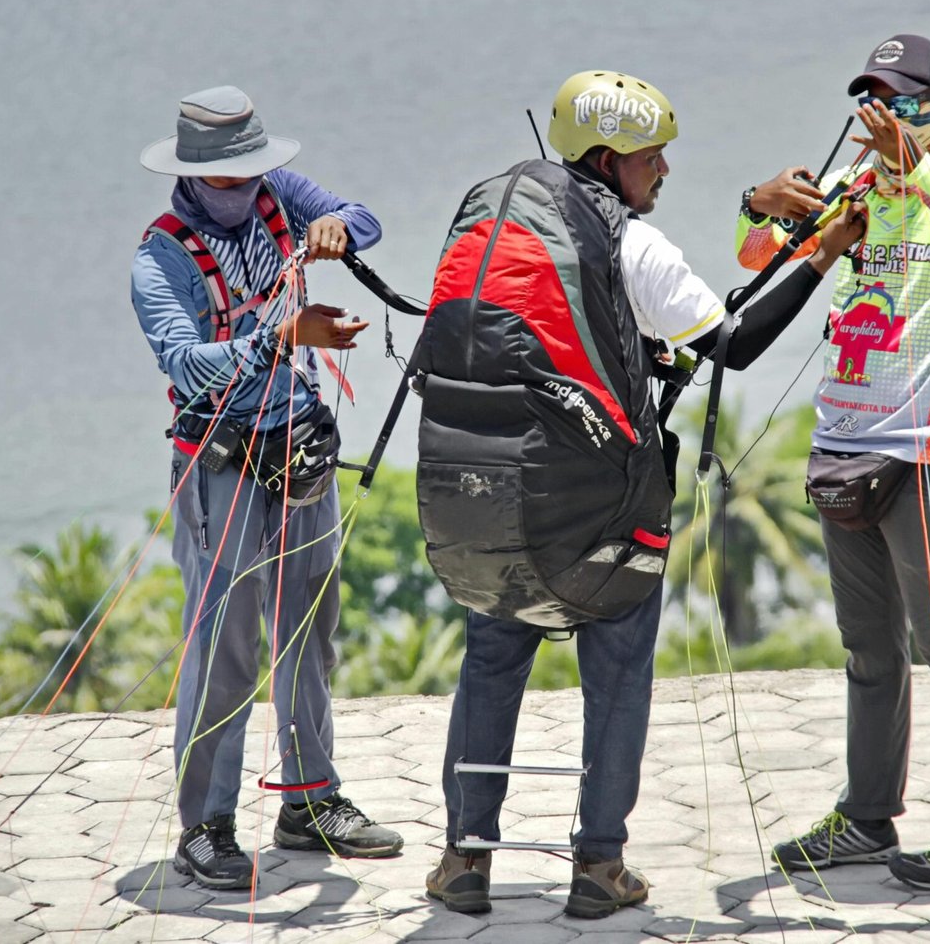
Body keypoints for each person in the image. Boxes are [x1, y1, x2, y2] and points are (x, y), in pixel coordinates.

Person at [425, 71, 868, 919]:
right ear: (607, 160)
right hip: (598, 523)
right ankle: (598, 866)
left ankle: (464, 860)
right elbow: (734, 343)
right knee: (620, 669)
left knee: (491, 661)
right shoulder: (634, 245)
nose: (664, 169)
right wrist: (821, 255)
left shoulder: (496, 231)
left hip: (486, 504)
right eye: (651, 156)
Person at [765, 36, 930, 890]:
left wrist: (923, 174)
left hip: (927, 452)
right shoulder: (856, 187)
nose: (888, 115)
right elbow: (756, 255)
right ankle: (867, 817)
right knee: (869, 648)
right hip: (844, 450)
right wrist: (758, 204)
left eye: (906, 100)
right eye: (876, 100)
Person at [132, 85, 403, 890]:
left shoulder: (276, 192)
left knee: (309, 627)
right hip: (222, 467)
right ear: (190, 175)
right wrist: (283, 335)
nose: (244, 188)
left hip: (299, 451)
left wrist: (336, 227)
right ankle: (206, 824)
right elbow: (187, 365)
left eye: (252, 172)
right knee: (227, 646)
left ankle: (310, 799)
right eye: (228, 177)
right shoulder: (160, 259)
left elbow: (363, 217)